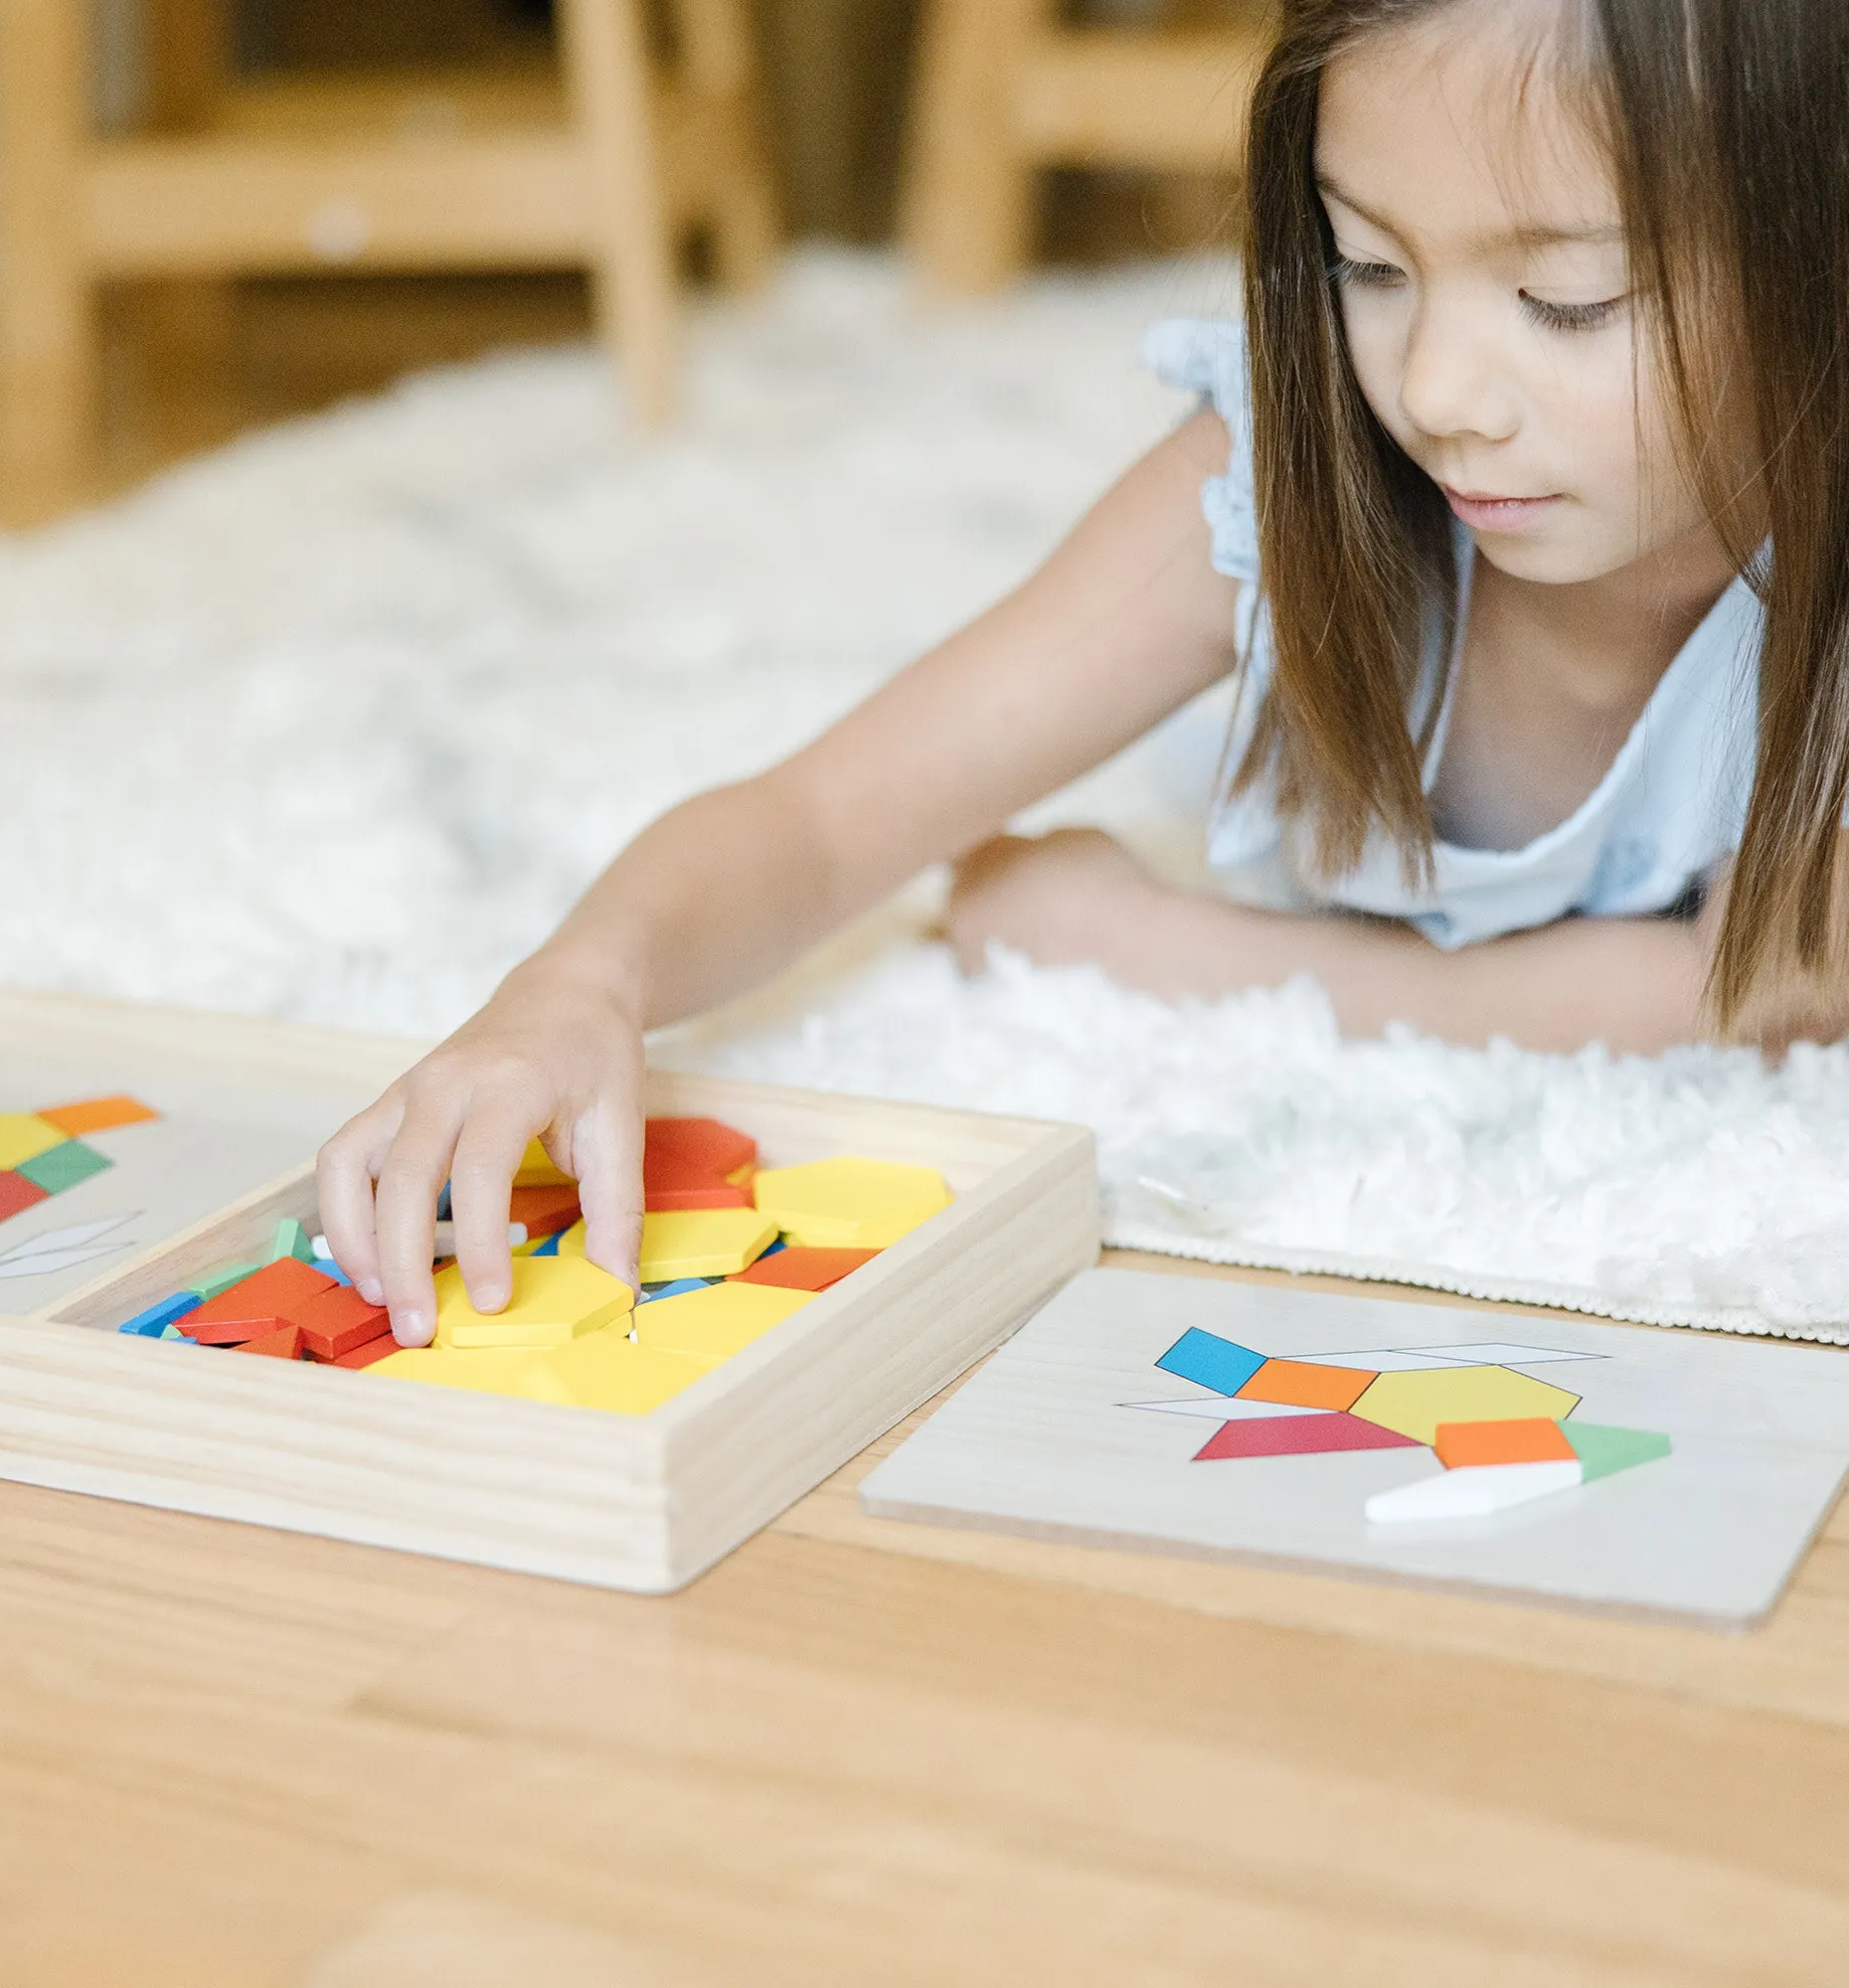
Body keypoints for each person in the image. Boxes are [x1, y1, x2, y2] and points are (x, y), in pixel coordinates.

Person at [320, 0, 1849, 1347]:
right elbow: (831, 816)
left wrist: (1155, 948)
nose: (1438, 391)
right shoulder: (1276, 476)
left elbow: (1749, 995)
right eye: (1367, 263)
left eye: (1565, 299)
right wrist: (583, 980)